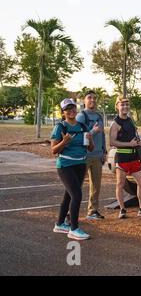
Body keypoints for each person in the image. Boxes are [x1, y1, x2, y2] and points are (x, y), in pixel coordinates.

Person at [51, 98, 94, 240]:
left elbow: (90, 148)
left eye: (73, 108)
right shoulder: (60, 127)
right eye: (67, 109)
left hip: (80, 164)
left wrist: (90, 140)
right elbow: (53, 150)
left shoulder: (82, 127)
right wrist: (64, 142)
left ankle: (59, 224)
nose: (71, 111)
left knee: (69, 195)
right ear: (63, 112)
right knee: (77, 195)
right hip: (65, 165)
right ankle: (74, 229)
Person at [110, 95, 141, 218]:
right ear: (117, 106)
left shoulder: (130, 120)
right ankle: (122, 210)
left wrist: (139, 142)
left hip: (134, 157)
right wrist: (129, 144)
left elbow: (135, 136)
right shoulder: (115, 124)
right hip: (122, 158)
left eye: (127, 104)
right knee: (120, 184)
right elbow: (112, 142)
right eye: (122, 104)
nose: (125, 106)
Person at [76, 90, 107, 219]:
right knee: (77, 185)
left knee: (96, 186)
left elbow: (103, 134)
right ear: (84, 100)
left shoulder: (99, 117)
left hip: (98, 156)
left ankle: (92, 211)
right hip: (85, 156)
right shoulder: (81, 116)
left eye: (94, 98)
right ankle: (70, 213)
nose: (92, 100)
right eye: (89, 98)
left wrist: (104, 151)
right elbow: (79, 137)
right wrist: (93, 131)